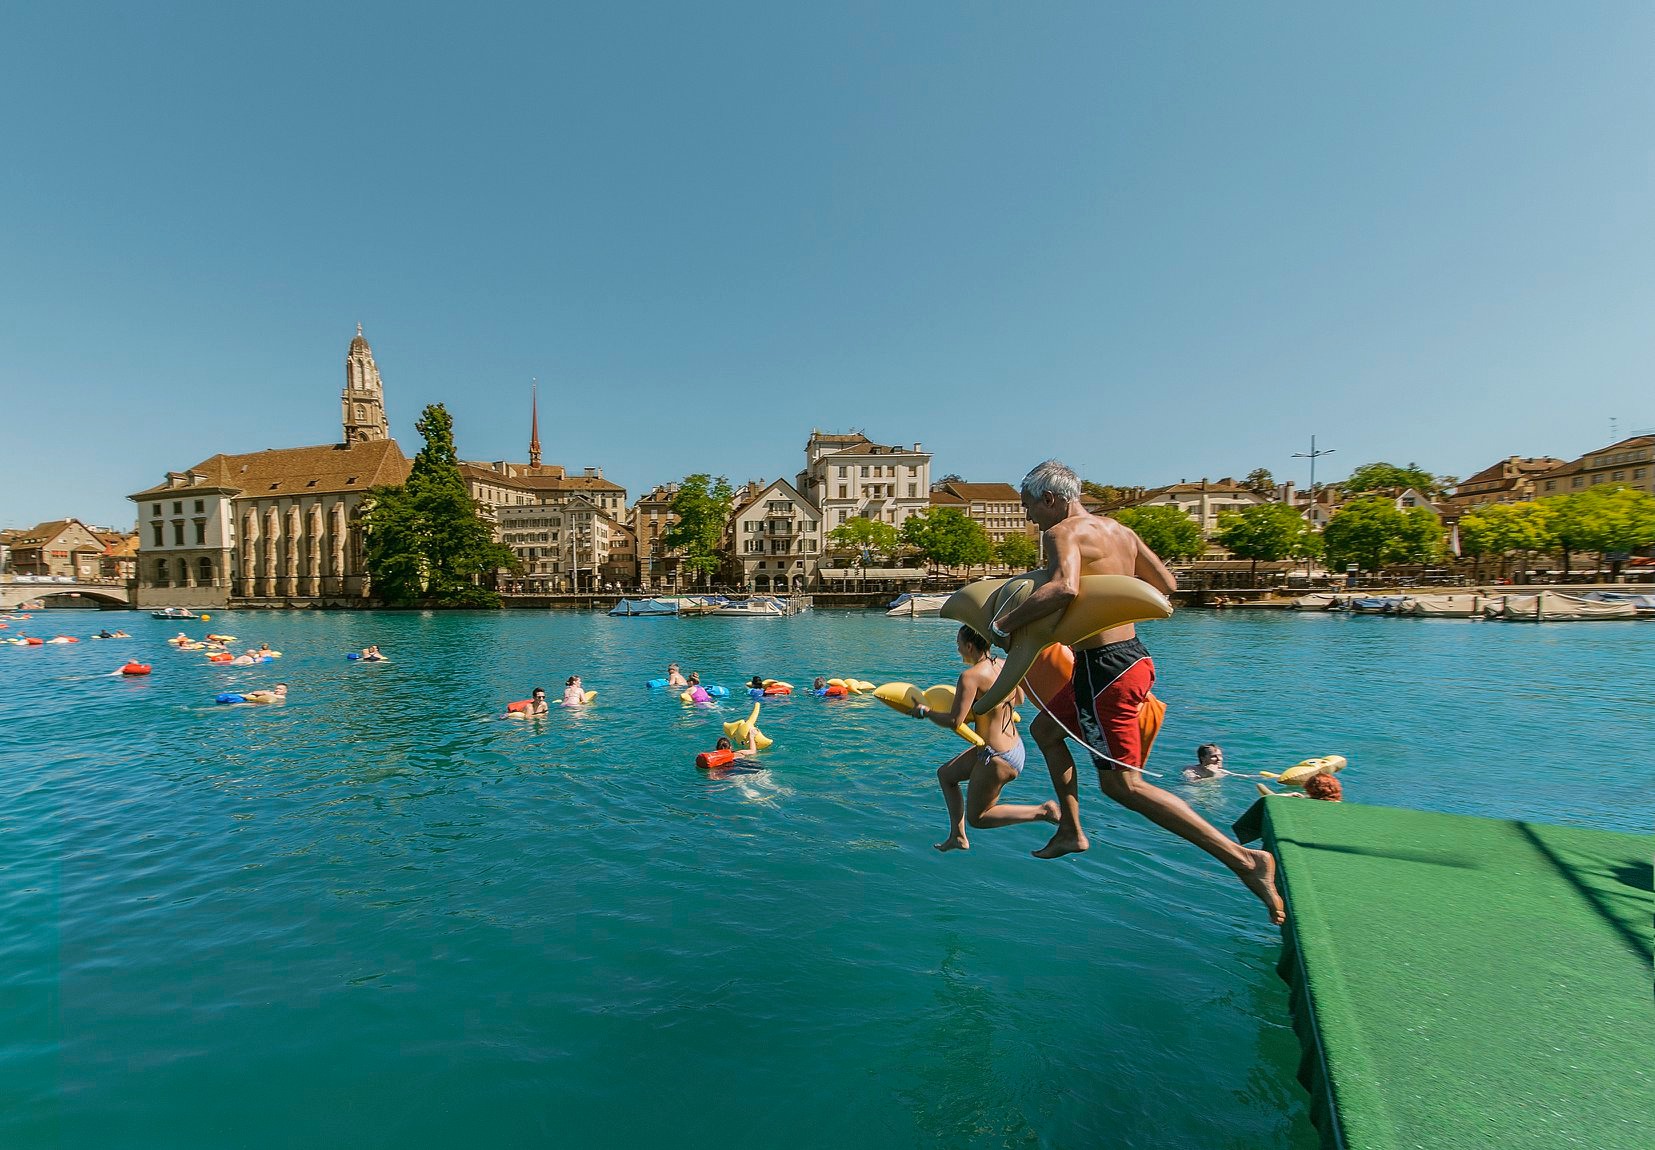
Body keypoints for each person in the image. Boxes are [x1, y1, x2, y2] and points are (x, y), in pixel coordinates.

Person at [994, 459, 1284, 924]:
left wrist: (1004, 623)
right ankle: (1070, 829)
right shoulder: (1121, 532)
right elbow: (1166, 586)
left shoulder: (1061, 533)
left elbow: (1064, 589)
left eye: (1029, 506)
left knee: (1124, 785)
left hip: (1103, 672)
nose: (1029, 518)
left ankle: (1245, 861)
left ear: (1050, 499)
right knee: (1046, 731)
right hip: (1132, 658)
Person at [915, 624, 1060, 853]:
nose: (958, 648)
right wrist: (982, 708)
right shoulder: (1004, 665)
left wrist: (925, 712)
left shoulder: (970, 677)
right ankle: (957, 836)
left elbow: (955, 721)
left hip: (996, 756)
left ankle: (1043, 811)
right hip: (1012, 747)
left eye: (959, 644)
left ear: (969, 646)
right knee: (946, 775)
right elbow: (1019, 699)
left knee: (979, 818)